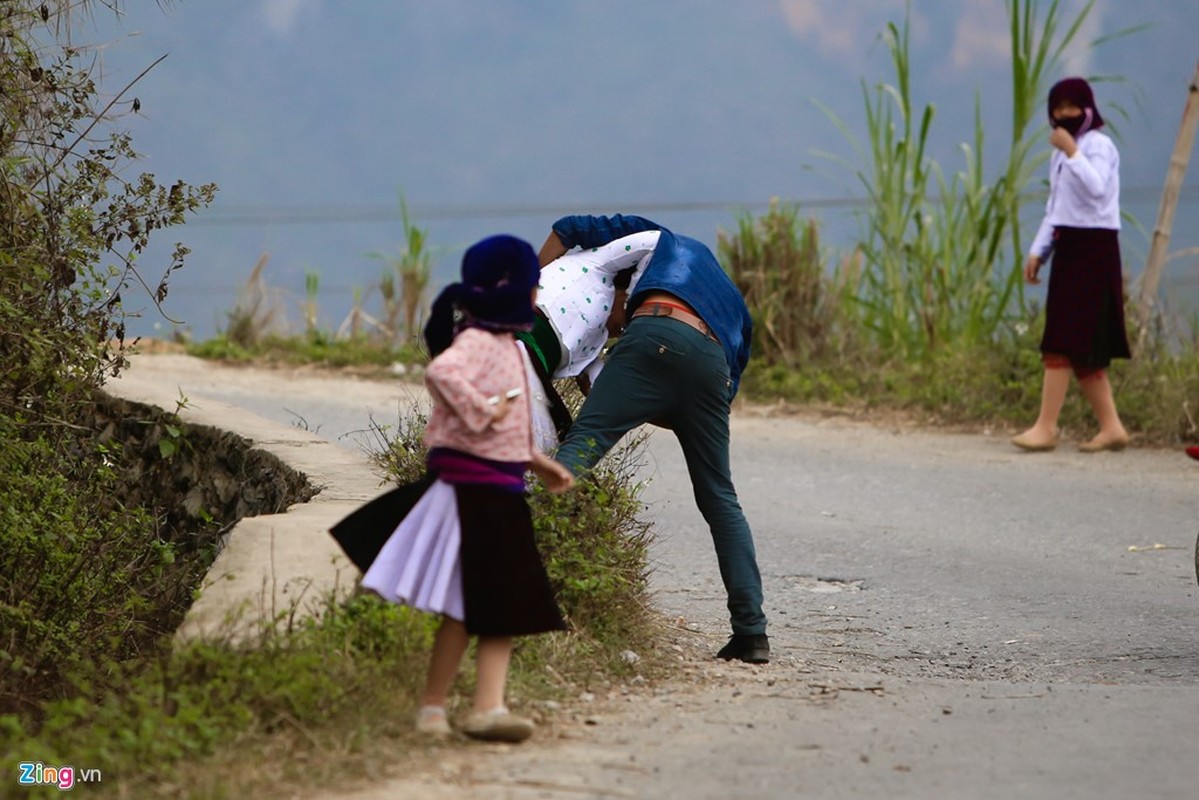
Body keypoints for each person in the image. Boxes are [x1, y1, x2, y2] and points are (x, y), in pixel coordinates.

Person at [332, 235, 574, 743]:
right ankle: (442, 708)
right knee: (479, 606)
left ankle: (475, 707)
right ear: (515, 290)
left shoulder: (507, 345)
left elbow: (510, 426)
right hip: (473, 494)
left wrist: (538, 463)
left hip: (503, 490)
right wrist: (482, 410)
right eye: (533, 286)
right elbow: (441, 372)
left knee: (488, 607)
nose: (537, 297)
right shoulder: (479, 342)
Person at [537, 213, 770, 664]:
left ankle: (521, 570)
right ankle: (751, 632)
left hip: (657, 332)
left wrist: (531, 285)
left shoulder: (656, 238)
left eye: (612, 321)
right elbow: (714, 395)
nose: (611, 328)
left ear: (624, 287)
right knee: (720, 497)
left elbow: (568, 226)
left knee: (577, 453)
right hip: (714, 367)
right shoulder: (735, 306)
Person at [1012, 77, 1131, 454]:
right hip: (1069, 246)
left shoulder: (1099, 147)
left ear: (1089, 110)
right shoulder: (1058, 156)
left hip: (1095, 249)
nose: (1064, 115)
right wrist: (1038, 251)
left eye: (1071, 107)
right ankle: (1111, 428)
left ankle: (1045, 428)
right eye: (1057, 109)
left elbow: (1097, 189)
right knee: (1081, 347)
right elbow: (1056, 208)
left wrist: (1073, 153)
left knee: (1062, 339)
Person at [514, 230, 658, 450]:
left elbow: (607, 391)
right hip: (516, 341)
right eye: (626, 322)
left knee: (563, 451)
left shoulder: (594, 344)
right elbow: (656, 240)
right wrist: (635, 296)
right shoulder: (598, 264)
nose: (622, 330)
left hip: (531, 370)